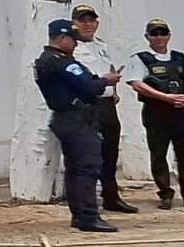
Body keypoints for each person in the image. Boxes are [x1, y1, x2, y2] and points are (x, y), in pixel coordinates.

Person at [34, 17, 120, 233]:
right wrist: (106, 81)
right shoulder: (61, 62)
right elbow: (88, 86)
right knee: (87, 168)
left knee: (76, 169)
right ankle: (88, 216)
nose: (75, 44)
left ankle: (81, 215)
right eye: (73, 39)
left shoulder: (49, 59)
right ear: (62, 38)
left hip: (70, 118)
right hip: (76, 119)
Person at [128, 19, 184, 211]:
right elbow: (137, 84)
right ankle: (165, 194)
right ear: (147, 37)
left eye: (163, 33)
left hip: (180, 112)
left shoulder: (180, 57)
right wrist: (164, 97)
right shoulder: (140, 59)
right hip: (156, 112)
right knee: (159, 154)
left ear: (169, 36)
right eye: (154, 33)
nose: (159, 37)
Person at [70, 4, 140, 214]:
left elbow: (108, 70)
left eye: (91, 20)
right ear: (74, 23)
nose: (88, 24)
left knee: (110, 152)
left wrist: (114, 91)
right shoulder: (73, 48)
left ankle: (111, 195)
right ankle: (88, 201)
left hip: (107, 104)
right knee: (91, 155)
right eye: (82, 20)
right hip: (89, 104)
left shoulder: (100, 46)